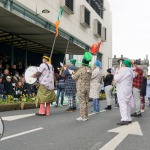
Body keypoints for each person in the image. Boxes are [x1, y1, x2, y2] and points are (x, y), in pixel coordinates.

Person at [72, 52, 92, 121]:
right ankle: (85, 115)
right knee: (86, 102)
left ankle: (83, 117)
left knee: (82, 102)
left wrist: (72, 74)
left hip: (81, 87)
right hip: (87, 87)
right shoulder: (90, 69)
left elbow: (74, 77)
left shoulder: (81, 69)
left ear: (83, 63)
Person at [114, 59, 135, 125]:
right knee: (128, 104)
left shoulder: (123, 70)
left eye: (123, 63)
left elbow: (116, 78)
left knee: (122, 104)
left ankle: (124, 119)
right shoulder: (131, 71)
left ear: (124, 64)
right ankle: (128, 118)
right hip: (128, 89)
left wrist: (116, 72)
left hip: (122, 89)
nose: (122, 64)